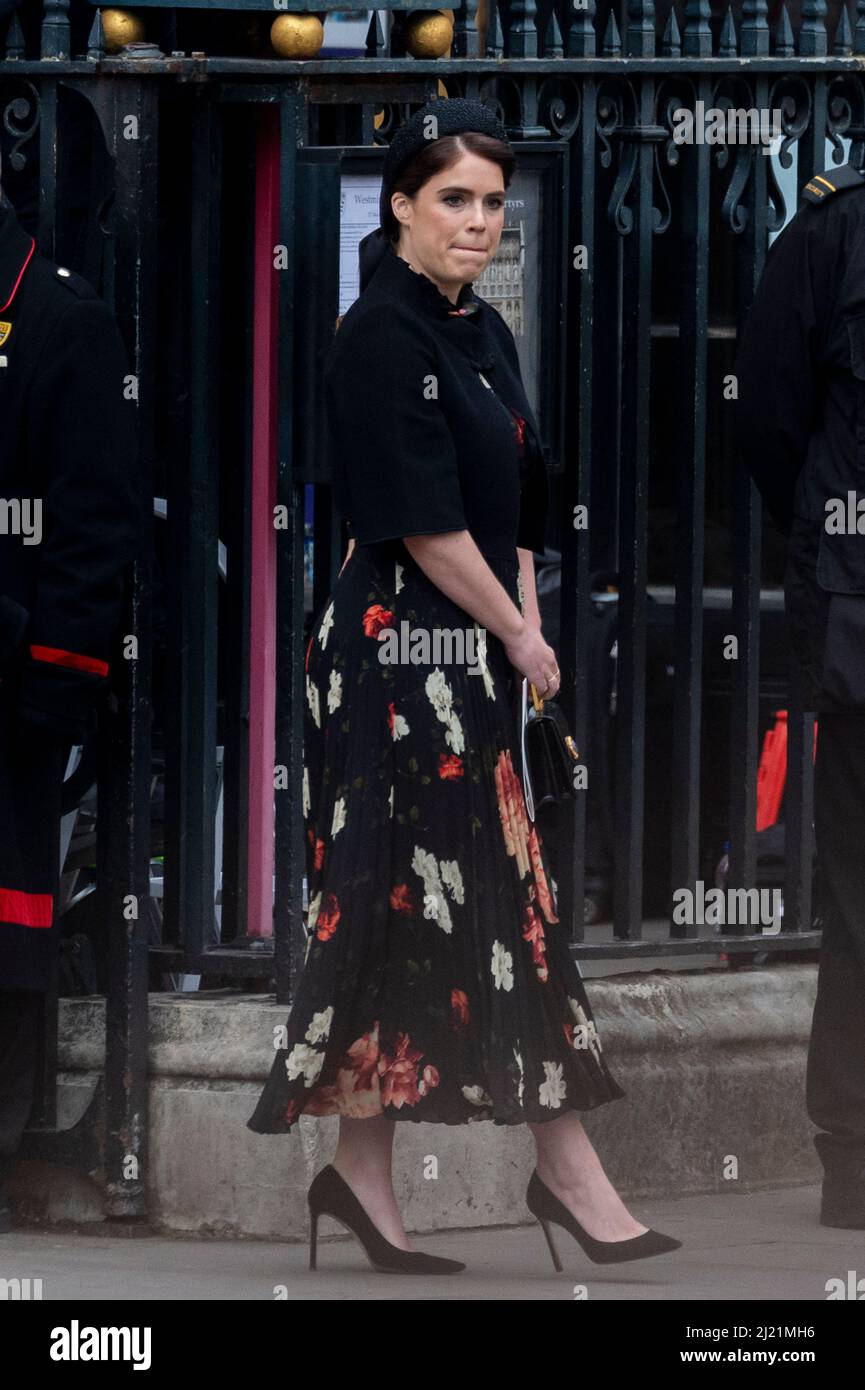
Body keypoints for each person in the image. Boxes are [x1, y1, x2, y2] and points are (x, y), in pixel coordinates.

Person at [247, 98, 682, 1275]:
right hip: (397, 658)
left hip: (475, 652)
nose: (480, 222)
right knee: (491, 905)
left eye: (492, 201)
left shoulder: (476, 330)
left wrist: (528, 619)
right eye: (454, 199)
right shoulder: (379, 336)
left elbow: (517, 505)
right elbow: (426, 527)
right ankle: (570, 1175)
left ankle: (362, 1176)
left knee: (436, 907)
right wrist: (524, 639)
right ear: (399, 205)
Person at [0, 158, 140, 1231]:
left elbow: (91, 529)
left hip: (9, 692)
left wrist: (56, 682)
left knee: (6, 935)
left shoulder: (59, 319)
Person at [733, 157, 865, 1229]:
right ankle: (856, 1161)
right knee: (860, 898)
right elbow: (771, 429)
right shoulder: (829, 235)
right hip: (859, 614)